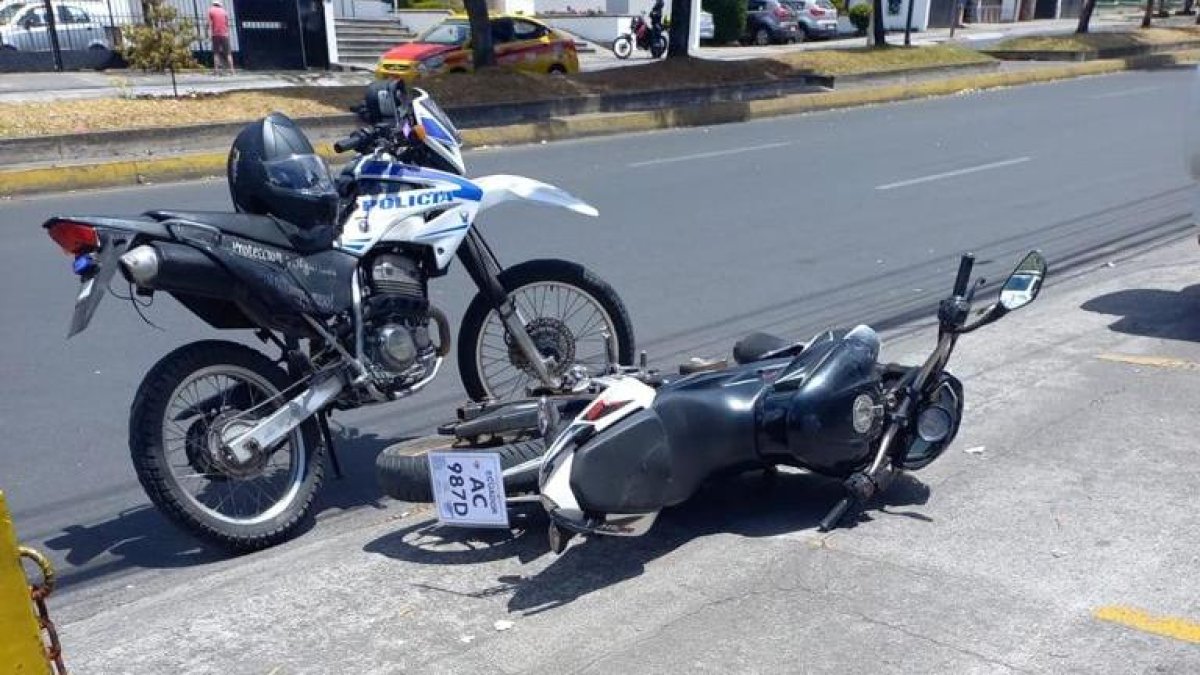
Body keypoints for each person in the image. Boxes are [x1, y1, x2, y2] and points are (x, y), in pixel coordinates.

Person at [208, 0, 235, 76]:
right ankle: (232, 71)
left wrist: (208, 33)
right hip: (225, 34)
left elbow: (209, 23)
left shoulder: (211, 11)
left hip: (215, 34)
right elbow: (227, 24)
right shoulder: (224, 12)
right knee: (228, 53)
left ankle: (216, 71)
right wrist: (227, 33)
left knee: (216, 53)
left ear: (213, 3)